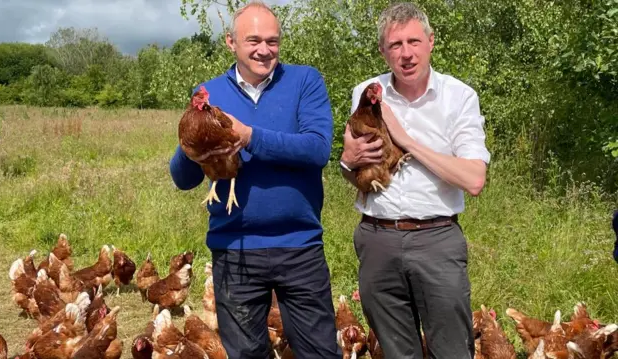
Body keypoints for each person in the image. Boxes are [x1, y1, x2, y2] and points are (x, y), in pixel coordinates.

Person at [169, 1, 341, 358]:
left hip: (300, 246)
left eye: (272, 41)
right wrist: (195, 148)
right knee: (245, 354)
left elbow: (317, 149)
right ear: (231, 42)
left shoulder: (304, 81)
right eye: (253, 40)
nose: (264, 49)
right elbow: (182, 179)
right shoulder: (209, 93)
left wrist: (249, 136)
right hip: (235, 249)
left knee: (319, 352)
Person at [340, 2, 491, 358]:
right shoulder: (366, 91)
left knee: (451, 350)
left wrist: (406, 140)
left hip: (436, 240)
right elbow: (358, 171)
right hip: (377, 238)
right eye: (395, 45)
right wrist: (347, 162)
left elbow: (474, 179)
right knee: (394, 351)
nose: (406, 54)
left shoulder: (459, 97)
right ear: (382, 50)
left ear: (431, 41)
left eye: (413, 42)